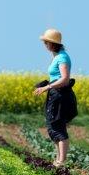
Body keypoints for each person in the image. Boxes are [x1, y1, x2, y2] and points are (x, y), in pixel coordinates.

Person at [34, 29, 77, 167]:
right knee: (53, 126)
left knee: (58, 126)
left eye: (46, 42)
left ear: (53, 43)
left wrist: (47, 87)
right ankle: (58, 159)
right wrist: (47, 83)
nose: (45, 44)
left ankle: (62, 161)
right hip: (55, 93)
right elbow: (57, 77)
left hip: (60, 95)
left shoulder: (62, 57)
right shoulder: (57, 56)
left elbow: (64, 79)